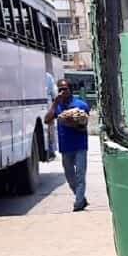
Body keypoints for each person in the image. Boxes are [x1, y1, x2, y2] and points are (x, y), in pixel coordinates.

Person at [44, 78, 90, 211]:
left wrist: (72, 123)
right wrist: (54, 104)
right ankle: (81, 198)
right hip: (65, 147)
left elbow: (83, 127)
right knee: (70, 177)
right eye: (60, 89)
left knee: (80, 175)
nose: (62, 92)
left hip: (80, 145)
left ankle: (78, 203)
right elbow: (47, 120)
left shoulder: (81, 105)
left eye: (65, 89)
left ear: (71, 90)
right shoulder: (57, 106)